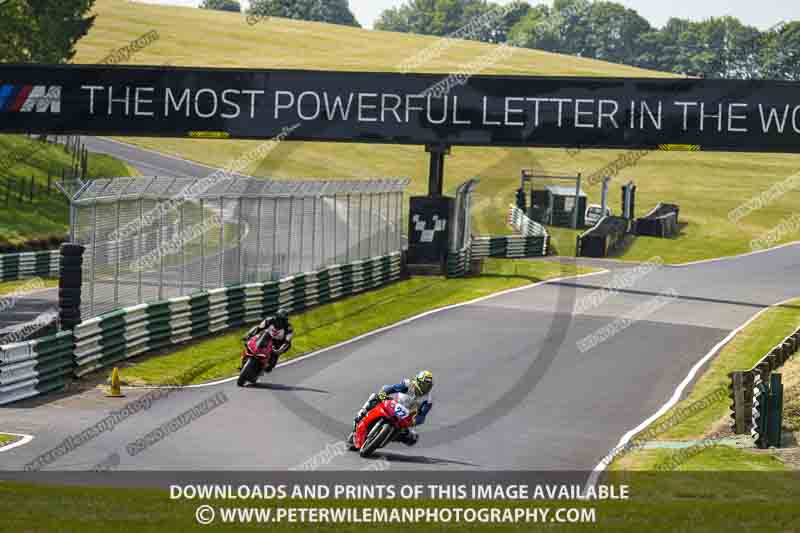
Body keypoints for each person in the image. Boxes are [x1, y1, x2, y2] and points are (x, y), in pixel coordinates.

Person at [349, 370, 433, 447]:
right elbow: (392, 388)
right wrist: (383, 393)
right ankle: (361, 414)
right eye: (424, 385)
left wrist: (415, 421)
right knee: (375, 397)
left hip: (405, 418)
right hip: (392, 405)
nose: (425, 388)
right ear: (417, 381)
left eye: (428, 386)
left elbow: (422, 415)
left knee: (413, 438)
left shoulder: (427, 400)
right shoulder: (408, 384)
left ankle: (389, 437)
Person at [241, 308, 294, 372]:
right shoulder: (269, 320)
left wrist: (279, 350)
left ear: (285, 320)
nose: (279, 322)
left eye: (281, 320)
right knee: (251, 340)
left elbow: (287, 341)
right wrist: (249, 335)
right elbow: (259, 328)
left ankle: (267, 365)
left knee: (270, 366)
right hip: (266, 337)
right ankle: (246, 357)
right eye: (278, 319)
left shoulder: (288, 328)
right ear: (275, 316)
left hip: (278, 343)